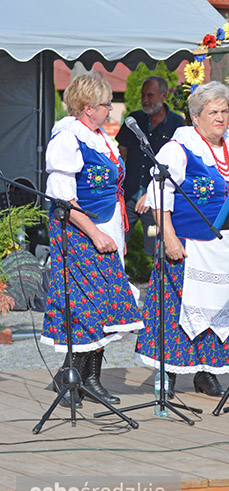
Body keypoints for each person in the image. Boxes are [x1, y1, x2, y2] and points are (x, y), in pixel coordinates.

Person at [135, 82, 229, 397]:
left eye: (225, 111)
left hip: (225, 246)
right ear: (196, 117)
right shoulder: (179, 148)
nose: (221, 117)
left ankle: (206, 372)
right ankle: (168, 375)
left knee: (217, 308)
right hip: (189, 244)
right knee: (177, 311)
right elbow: (159, 194)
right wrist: (169, 237)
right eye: (213, 112)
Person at [42, 71, 143, 407]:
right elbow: (62, 200)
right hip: (80, 234)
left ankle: (84, 378)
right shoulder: (67, 139)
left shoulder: (100, 138)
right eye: (105, 105)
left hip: (105, 230)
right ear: (88, 108)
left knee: (106, 307)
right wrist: (96, 233)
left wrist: (113, 232)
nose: (110, 110)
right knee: (89, 308)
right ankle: (76, 378)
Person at [116, 76, 184, 257]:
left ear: (163, 96)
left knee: (156, 251)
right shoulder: (133, 120)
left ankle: (153, 277)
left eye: (150, 95)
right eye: (143, 95)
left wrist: (150, 193)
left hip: (156, 197)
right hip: (129, 194)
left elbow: (177, 165)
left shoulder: (176, 124)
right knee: (117, 244)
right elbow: (121, 153)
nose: (145, 100)